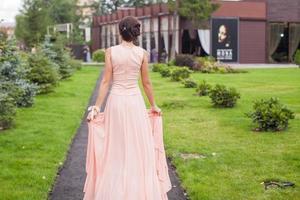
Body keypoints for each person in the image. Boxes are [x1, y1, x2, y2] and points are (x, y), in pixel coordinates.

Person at [83, 16, 171, 200]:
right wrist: (153, 105)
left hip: (116, 101)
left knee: (116, 147)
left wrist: (97, 107)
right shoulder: (142, 54)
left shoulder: (110, 51)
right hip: (134, 103)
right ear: (136, 32)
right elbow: (146, 83)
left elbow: (106, 81)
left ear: (120, 31)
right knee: (136, 147)